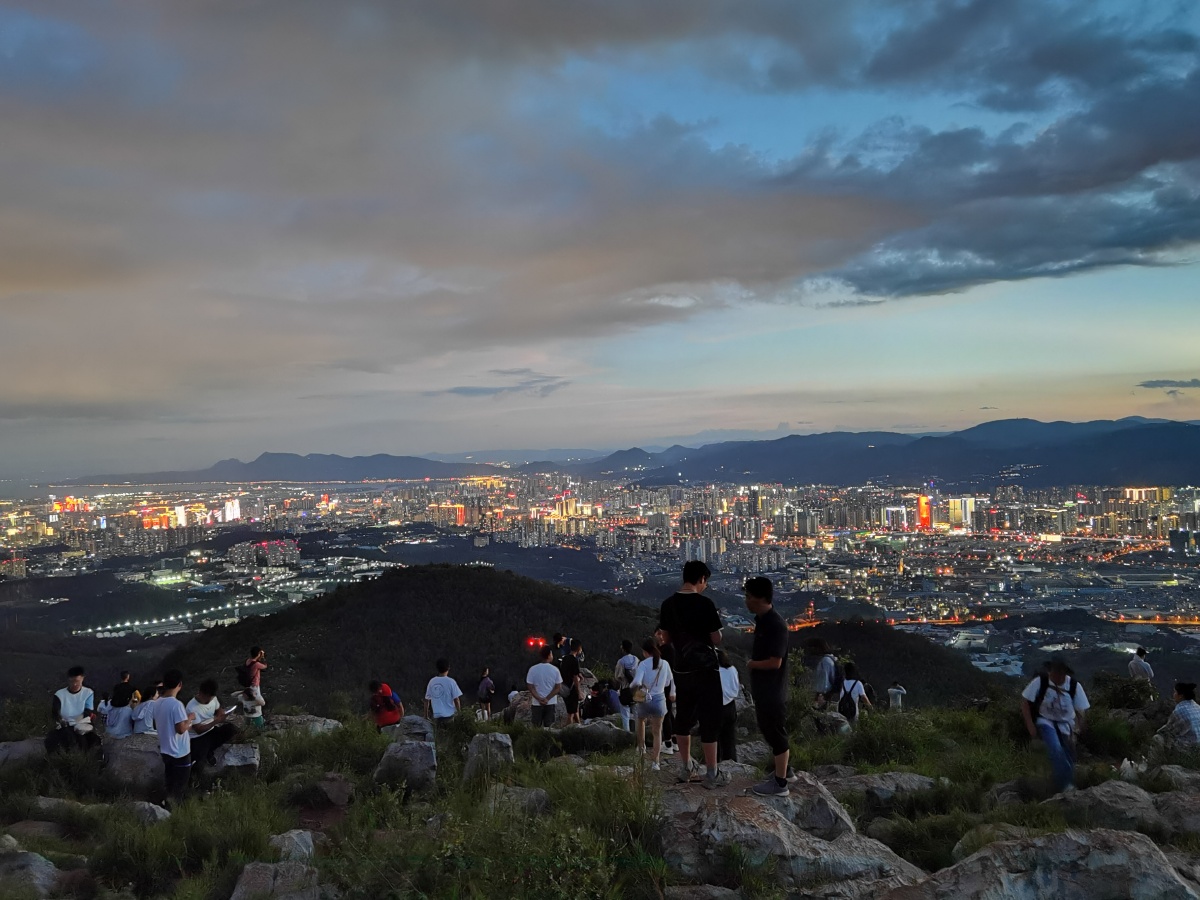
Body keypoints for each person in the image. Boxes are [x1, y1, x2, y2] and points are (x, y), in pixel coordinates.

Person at [659, 560, 728, 789]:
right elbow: (716, 638)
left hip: (682, 668)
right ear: (701, 579)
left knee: (684, 717)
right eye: (706, 582)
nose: (706, 586)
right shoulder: (705, 604)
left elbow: (666, 639)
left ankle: (686, 767)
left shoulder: (668, 604)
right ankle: (712, 773)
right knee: (710, 718)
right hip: (706, 668)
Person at [744, 577, 792, 796]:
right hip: (765, 689)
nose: (746, 600)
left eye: (749, 596)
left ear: (760, 597)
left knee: (775, 732)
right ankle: (784, 771)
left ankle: (781, 783)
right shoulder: (763, 620)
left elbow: (775, 662)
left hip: (772, 690)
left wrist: (751, 664)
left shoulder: (775, 624)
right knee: (769, 729)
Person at [1021, 657, 1090, 793]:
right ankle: (1065, 786)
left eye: (1059, 671)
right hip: (1045, 721)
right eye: (1053, 671)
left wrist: (1079, 729)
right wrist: (1030, 725)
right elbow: (1025, 702)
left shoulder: (1074, 686)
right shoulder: (1041, 682)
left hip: (1067, 725)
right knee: (1055, 748)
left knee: (1069, 756)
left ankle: (1061, 782)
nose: (1055, 674)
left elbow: (1081, 710)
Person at [154, 670, 196, 806]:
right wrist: (190, 718)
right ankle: (174, 810)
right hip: (180, 752)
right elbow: (181, 729)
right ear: (180, 684)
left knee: (170, 782)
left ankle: (166, 804)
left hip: (166, 749)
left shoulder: (157, 702)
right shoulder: (176, 705)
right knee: (180, 785)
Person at [631, 638, 673, 771]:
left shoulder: (643, 664)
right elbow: (668, 682)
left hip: (645, 699)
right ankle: (655, 762)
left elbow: (637, 682)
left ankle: (641, 749)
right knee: (657, 732)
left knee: (641, 721)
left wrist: (633, 688)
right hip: (659, 699)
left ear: (644, 652)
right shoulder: (665, 664)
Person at [46, 666, 100, 755]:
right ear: (68, 680)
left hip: (81, 724)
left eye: (77, 681)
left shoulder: (88, 693)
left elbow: (88, 711)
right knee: (70, 738)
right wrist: (61, 720)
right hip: (65, 725)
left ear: (82, 679)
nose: (74, 684)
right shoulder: (59, 694)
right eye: (72, 682)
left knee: (93, 740)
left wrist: (86, 719)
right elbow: (55, 712)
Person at [186, 678, 238, 767]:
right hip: (198, 737)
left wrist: (222, 714)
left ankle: (210, 749)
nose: (210, 699)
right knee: (199, 757)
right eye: (208, 697)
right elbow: (198, 729)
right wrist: (216, 721)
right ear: (201, 693)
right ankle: (205, 753)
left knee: (230, 729)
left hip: (211, 729)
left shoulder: (213, 699)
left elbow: (218, 709)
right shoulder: (192, 708)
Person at [526, 645, 563, 727]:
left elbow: (530, 687)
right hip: (550, 702)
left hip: (536, 703)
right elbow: (558, 687)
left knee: (536, 726)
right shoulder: (555, 670)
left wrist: (538, 698)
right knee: (549, 727)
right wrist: (547, 698)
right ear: (549, 655)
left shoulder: (532, 669)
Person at [1156, 682, 1200, 749]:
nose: (1173, 694)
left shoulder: (1179, 711)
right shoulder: (1197, 707)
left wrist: (1158, 731)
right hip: (1198, 745)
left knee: (1157, 738)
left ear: (1180, 695)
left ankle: (1156, 759)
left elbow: (1169, 730)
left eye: (1175, 692)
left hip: (1187, 748)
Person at [717, 650, 741, 763]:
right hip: (730, 705)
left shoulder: (712, 671)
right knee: (729, 738)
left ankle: (714, 764)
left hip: (715, 706)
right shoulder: (732, 669)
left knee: (714, 738)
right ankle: (731, 763)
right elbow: (736, 687)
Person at [424, 658, 463, 725]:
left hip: (437, 716)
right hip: (450, 716)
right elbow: (456, 699)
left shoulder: (432, 681)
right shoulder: (451, 681)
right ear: (448, 668)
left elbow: (427, 700)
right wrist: (460, 714)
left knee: (439, 734)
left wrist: (426, 716)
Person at [614, 640, 639, 732]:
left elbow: (617, 677)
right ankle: (638, 736)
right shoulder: (636, 659)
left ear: (623, 649)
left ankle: (626, 735)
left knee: (625, 715)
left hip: (625, 690)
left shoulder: (621, 662)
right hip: (636, 690)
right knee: (637, 714)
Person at [560, 639, 584, 725]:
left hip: (564, 688)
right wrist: (579, 691)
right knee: (571, 713)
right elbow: (575, 677)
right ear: (579, 649)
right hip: (572, 689)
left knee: (574, 709)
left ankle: (579, 725)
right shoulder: (574, 660)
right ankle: (568, 730)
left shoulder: (565, 659)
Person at [811, 640, 837, 707]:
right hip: (827, 691)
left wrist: (820, 693)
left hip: (824, 692)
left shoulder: (825, 661)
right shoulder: (830, 660)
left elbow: (824, 677)